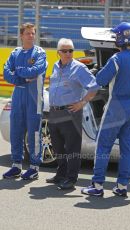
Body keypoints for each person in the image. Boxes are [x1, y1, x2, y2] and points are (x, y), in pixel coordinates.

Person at [81, 22, 130, 197]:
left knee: (103, 145)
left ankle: (97, 185)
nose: (114, 39)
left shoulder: (116, 59)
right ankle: (122, 186)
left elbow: (100, 80)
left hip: (117, 105)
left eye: (116, 36)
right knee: (128, 148)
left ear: (121, 38)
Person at [46, 38, 99, 189]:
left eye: (71, 50)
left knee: (72, 148)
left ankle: (71, 178)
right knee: (57, 146)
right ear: (58, 53)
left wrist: (82, 103)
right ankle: (61, 174)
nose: (68, 53)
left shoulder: (79, 68)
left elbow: (94, 86)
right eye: (65, 50)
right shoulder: (56, 66)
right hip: (54, 112)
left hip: (71, 113)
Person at [3, 23, 47, 180]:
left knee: (34, 133)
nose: (31, 36)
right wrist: (22, 79)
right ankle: (16, 165)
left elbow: (36, 70)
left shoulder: (40, 53)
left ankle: (34, 167)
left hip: (34, 98)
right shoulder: (15, 53)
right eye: (27, 33)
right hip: (18, 96)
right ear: (21, 35)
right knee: (16, 131)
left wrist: (18, 72)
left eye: (33, 33)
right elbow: (6, 72)